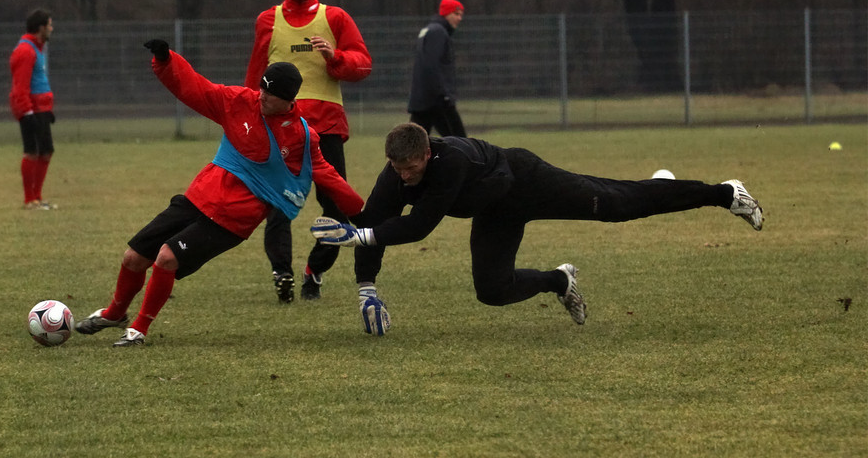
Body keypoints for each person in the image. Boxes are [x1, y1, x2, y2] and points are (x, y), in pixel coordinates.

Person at [312, 122, 764, 335]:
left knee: (618, 205)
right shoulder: (395, 175)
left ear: (427, 154)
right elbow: (374, 222)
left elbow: (421, 226)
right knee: (491, 289)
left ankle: (725, 193)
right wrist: (366, 287)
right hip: (496, 210)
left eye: (411, 168)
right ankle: (559, 281)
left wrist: (359, 235)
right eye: (398, 168)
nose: (404, 176)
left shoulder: (450, 162)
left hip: (527, 182)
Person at [76, 41, 364, 347]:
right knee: (133, 257)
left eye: (270, 93)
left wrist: (363, 213)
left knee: (166, 257)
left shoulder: (303, 137)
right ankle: (114, 313)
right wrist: (166, 60)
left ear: (288, 100)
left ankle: (139, 329)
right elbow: (197, 88)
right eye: (261, 88)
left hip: (233, 219)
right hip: (200, 196)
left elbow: (328, 176)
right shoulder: (241, 101)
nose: (261, 95)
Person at [244, 0, 372, 303]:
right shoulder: (267, 20)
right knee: (277, 203)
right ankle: (282, 272)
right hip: (280, 130)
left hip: (326, 127)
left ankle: (313, 271)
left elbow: (363, 66)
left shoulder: (334, 17)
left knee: (336, 208)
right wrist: (248, 120)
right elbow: (256, 76)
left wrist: (335, 57)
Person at [9, 9, 57, 210]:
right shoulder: (25, 50)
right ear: (41, 28)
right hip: (31, 110)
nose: (51, 29)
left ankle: (37, 197)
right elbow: (20, 86)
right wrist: (26, 112)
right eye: (49, 25)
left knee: (46, 152)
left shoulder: (38, 49)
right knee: (32, 152)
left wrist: (48, 109)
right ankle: (30, 200)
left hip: (41, 109)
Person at [408, 0, 466, 137]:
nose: (459, 18)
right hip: (437, 101)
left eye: (461, 15)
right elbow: (431, 65)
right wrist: (444, 95)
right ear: (446, 13)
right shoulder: (438, 32)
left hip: (423, 100)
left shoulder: (429, 30)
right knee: (462, 145)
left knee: (413, 145)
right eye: (456, 14)